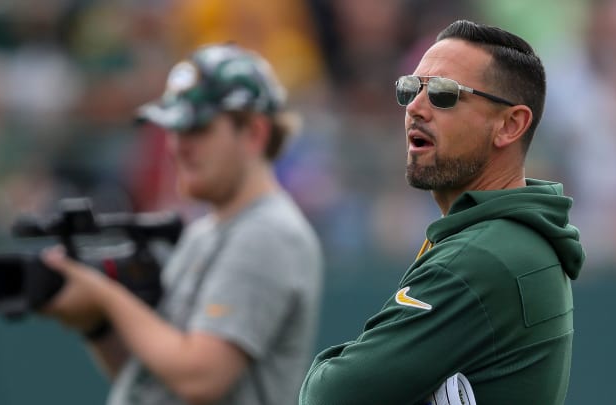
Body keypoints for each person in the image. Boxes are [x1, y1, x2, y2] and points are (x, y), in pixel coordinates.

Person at [298, 20, 585, 405]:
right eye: (410, 89)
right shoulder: (509, 238)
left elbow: (328, 395)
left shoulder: (484, 256)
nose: (415, 107)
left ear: (509, 125)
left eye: (443, 94)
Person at [41, 43, 324, 405]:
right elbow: (154, 379)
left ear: (254, 133)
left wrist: (105, 296)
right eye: (173, 128)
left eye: (197, 127)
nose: (177, 146)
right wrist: (95, 323)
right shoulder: (206, 230)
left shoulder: (268, 232)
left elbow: (200, 378)